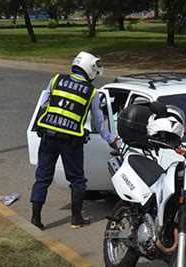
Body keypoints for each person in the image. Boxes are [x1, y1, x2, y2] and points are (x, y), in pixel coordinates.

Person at [30, 51, 119, 229]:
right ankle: (76, 219)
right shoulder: (91, 92)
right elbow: (98, 122)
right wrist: (111, 139)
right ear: (89, 69)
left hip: (48, 136)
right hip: (71, 142)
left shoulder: (56, 80)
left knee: (42, 179)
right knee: (77, 180)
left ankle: (36, 220)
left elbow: (43, 105)